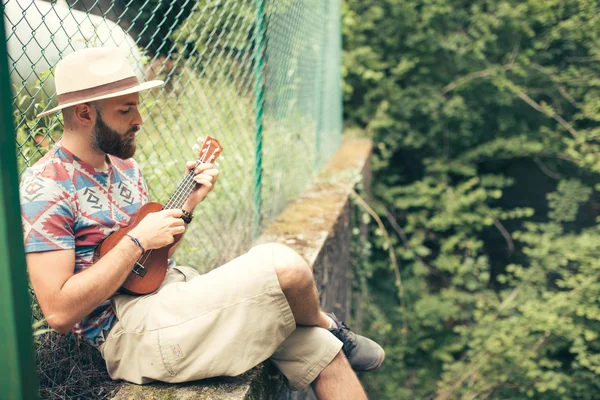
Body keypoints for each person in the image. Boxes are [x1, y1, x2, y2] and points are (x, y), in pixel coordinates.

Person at [19, 47, 384, 399]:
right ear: (84, 114)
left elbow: (150, 264)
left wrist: (188, 205)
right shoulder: (47, 185)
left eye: (137, 108)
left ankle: (328, 332)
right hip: (127, 333)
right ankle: (327, 321)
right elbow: (59, 312)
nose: (139, 121)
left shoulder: (126, 168)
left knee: (323, 351)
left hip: (171, 296)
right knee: (284, 265)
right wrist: (136, 241)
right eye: (126, 110)